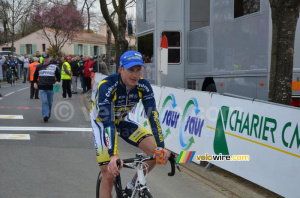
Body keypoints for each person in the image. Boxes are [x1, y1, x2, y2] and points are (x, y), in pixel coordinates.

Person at [90, 51, 169, 197]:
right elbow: (108, 122)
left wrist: (161, 147)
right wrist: (113, 155)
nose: (135, 74)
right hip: (102, 123)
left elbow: (153, 116)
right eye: (131, 70)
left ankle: (133, 185)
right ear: (120, 69)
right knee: (109, 173)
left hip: (122, 120)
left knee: (154, 154)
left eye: (138, 70)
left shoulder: (143, 86)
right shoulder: (107, 85)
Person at [33, 54, 60, 122]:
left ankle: (48, 112)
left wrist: (57, 81)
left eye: (47, 58)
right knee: (44, 101)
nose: (45, 59)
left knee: (50, 102)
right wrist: (35, 83)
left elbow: (58, 76)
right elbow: (35, 75)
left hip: (50, 87)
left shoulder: (54, 67)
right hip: (42, 87)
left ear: (49, 59)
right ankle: (45, 115)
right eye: (44, 58)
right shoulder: (39, 66)